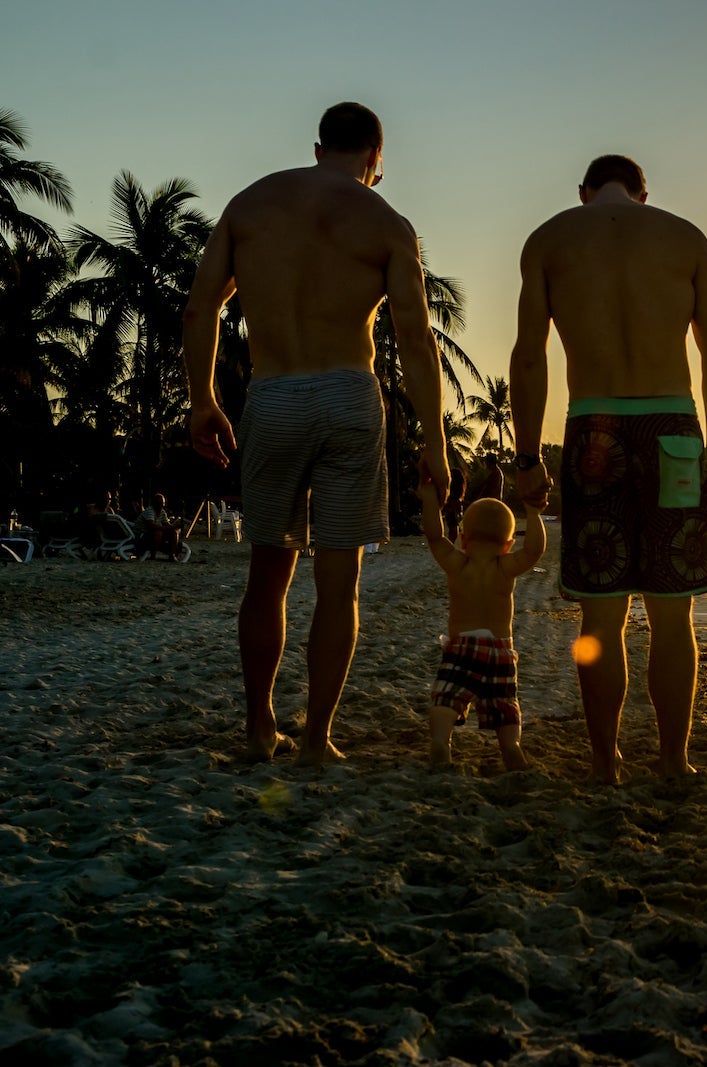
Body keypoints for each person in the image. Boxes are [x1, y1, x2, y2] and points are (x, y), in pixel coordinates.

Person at [182, 102, 449, 765]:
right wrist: (436, 440)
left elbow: (199, 307)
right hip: (348, 399)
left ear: (317, 146)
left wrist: (202, 400)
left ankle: (257, 725)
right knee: (339, 584)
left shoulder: (251, 205)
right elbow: (416, 339)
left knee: (267, 575)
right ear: (375, 160)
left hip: (273, 395)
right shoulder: (386, 223)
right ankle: (316, 737)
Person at [508, 154, 707, 783]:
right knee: (672, 614)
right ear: (643, 193)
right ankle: (672, 760)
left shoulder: (550, 239)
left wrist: (528, 457)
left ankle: (606, 763)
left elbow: (530, 358)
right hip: (673, 431)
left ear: (585, 192)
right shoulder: (685, 238)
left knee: (601, 617)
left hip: (593, 430)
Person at [417, 480, 544, 771]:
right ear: (508, 544)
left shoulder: (458, 564)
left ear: (463, 539)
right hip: (500, 649)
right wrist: (534, 513)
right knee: (504, 704)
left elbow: (435, 537)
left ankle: (440, 741)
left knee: (446, 697)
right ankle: (510, 746)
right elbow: (534, 551)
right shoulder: (506, 567)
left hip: (462, 645)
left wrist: (429, 501)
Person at [136, 493, 183, 561]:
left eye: (162, 503)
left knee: (173, 532)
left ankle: (172, 555)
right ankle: (153, 555)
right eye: (159, 503)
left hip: (153, 535)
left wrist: (175, 528)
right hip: (142, 535)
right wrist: (167, 528)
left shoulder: (162, 512)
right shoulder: (150, 511)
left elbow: (167, 525)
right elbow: (151, 525)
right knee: (158, 532)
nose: (160, 505)